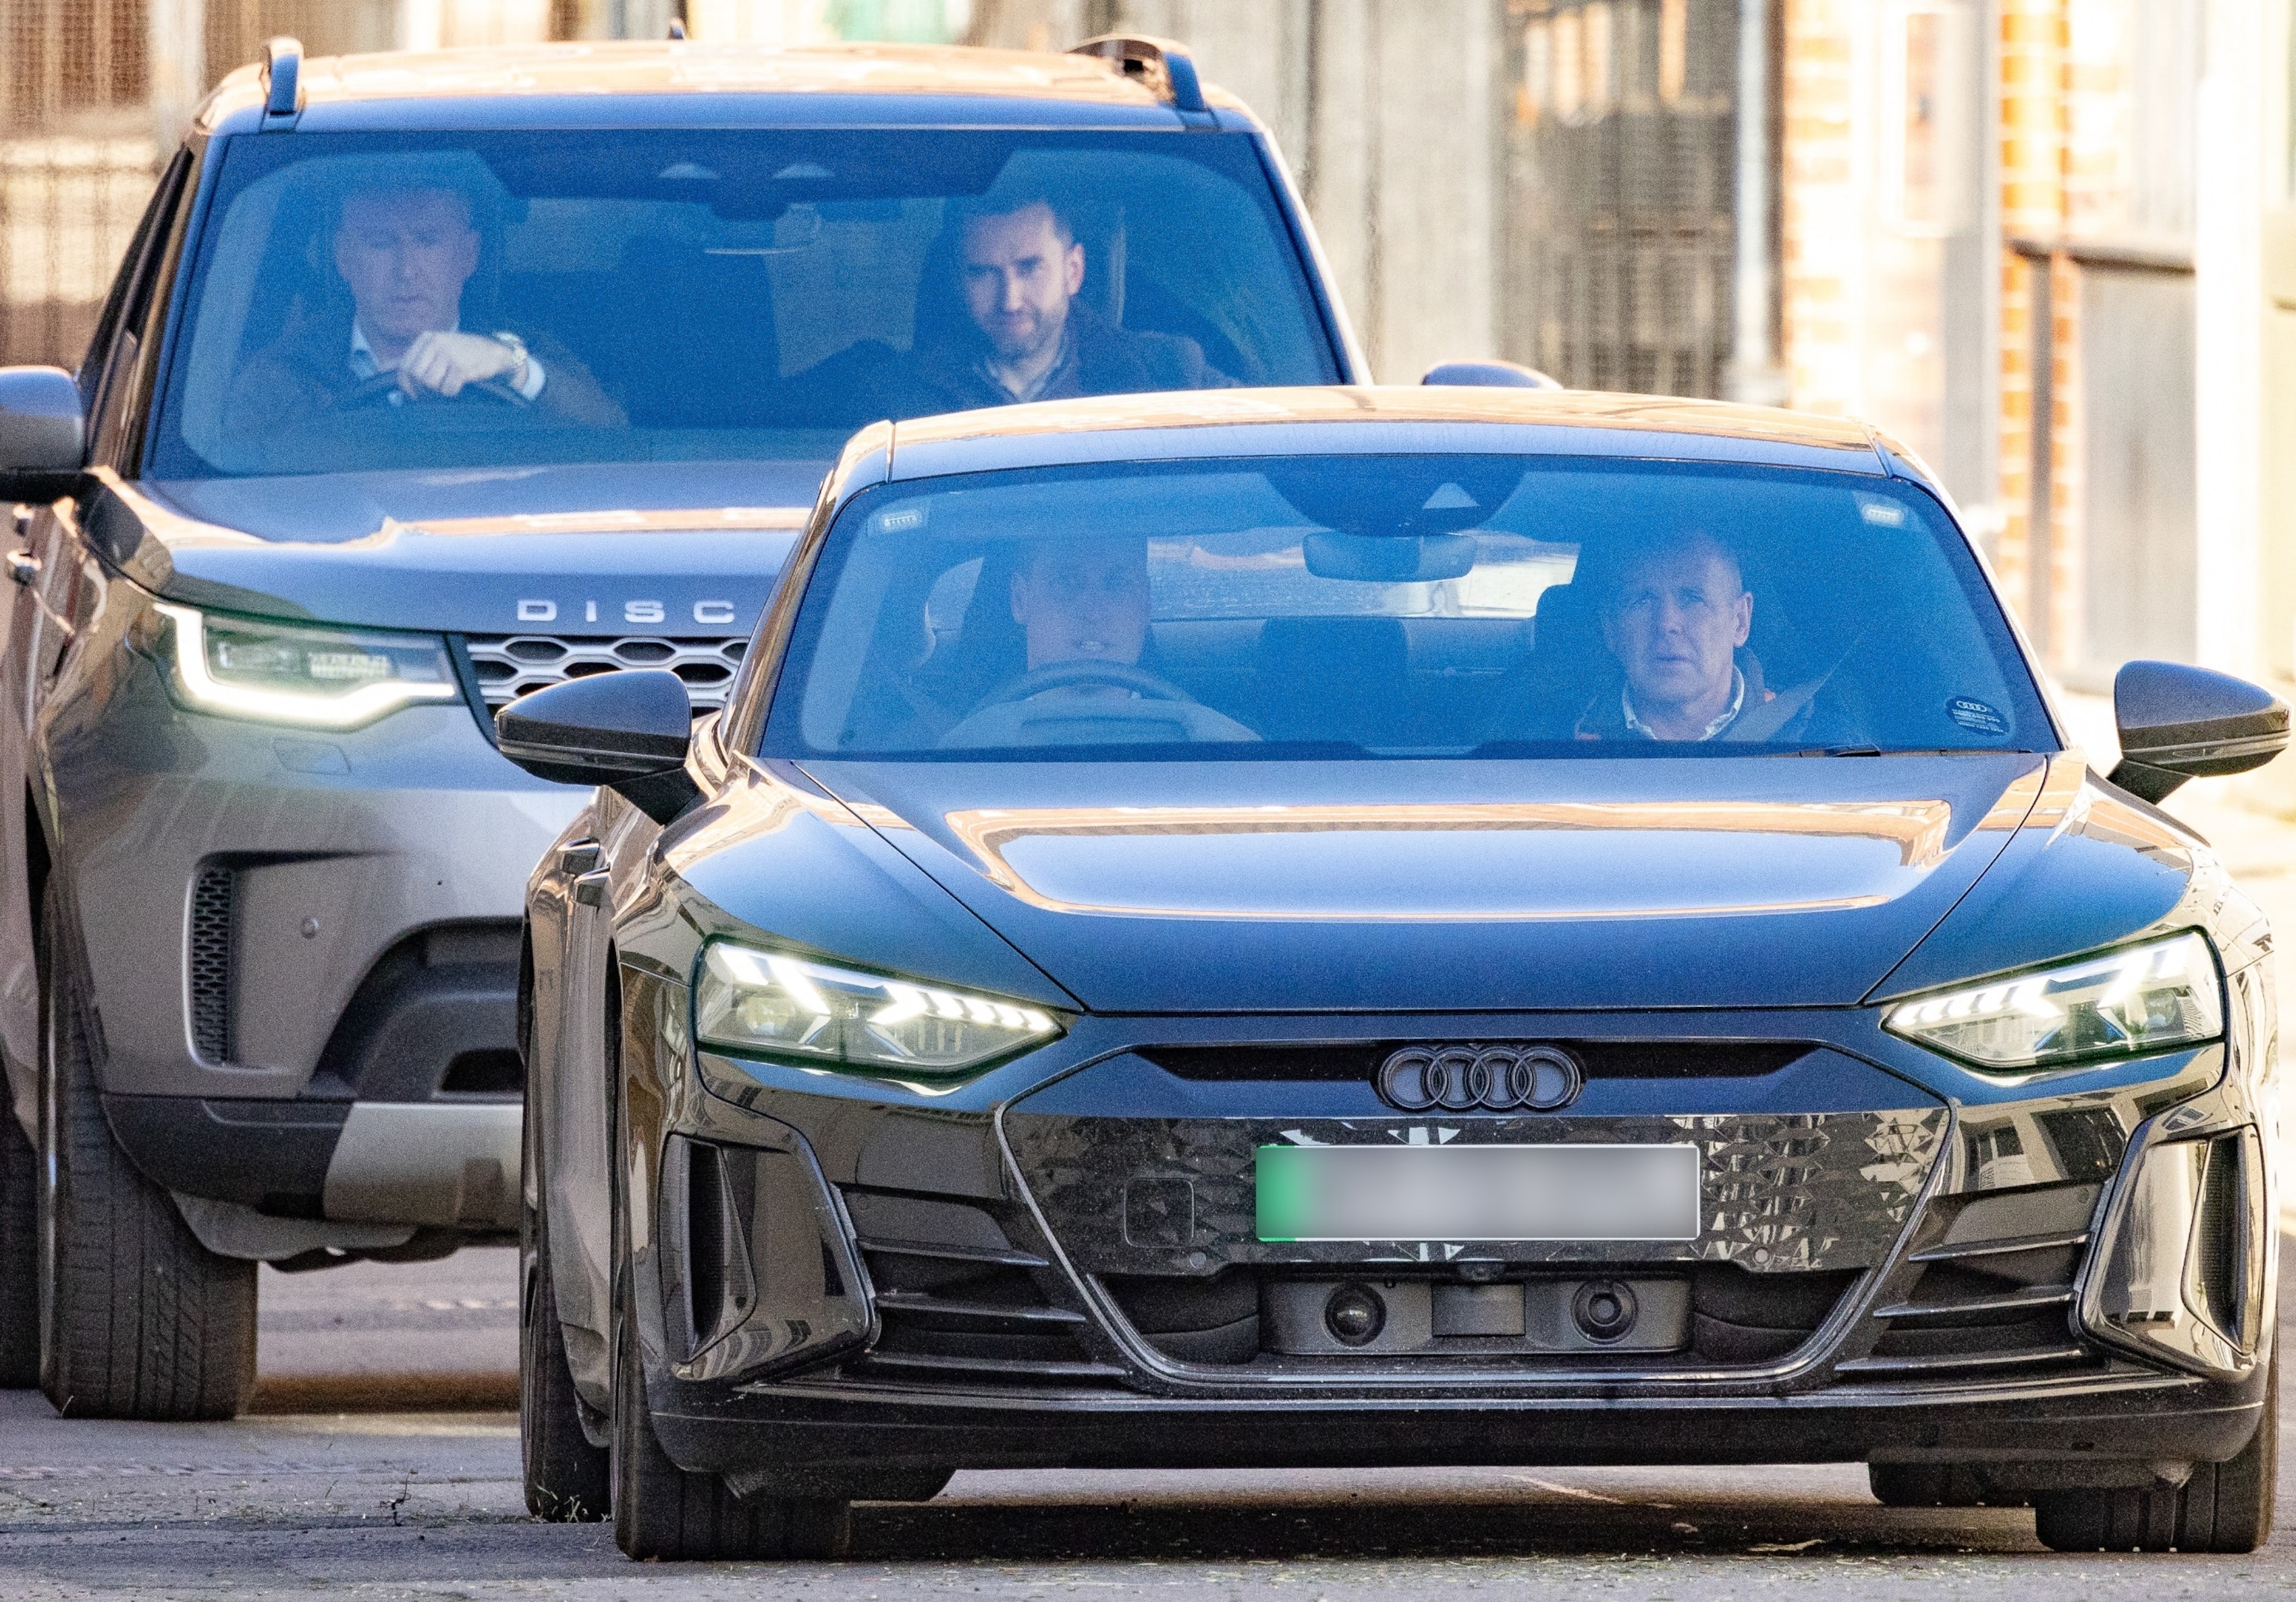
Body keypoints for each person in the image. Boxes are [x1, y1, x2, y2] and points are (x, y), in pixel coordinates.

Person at [226, 182, 623, 437]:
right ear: (343, 258)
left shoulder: (522, 352)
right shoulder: (284, 375)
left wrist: (513, 366)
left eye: (428, 240)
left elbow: (614, 437)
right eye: (381, 243)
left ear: (468, 255)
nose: (406, 270)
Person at [938, 537, 1254, 746]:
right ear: (1021, 600)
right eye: (1067, 582)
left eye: (1116, 584)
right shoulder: (943, 754)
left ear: (1145, 604)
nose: (1093, 611)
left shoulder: (1225, 750)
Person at [1573, 529, 1804, 742]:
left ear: (1740, 621)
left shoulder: (1813, 737)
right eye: (1642, 601)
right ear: (1611, 629)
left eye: (1693, 599)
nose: (1666, 624)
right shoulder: (1553, 743)